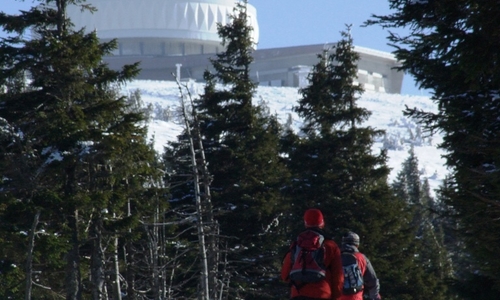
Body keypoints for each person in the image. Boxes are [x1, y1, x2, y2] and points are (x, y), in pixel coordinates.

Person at [281, 208, 344, 300]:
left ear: (305, 223)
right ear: (322, 222)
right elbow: (338, 276)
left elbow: (285, 275)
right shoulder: (330, 245)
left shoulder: (297, 244)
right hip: (322, 293)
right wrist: (337, 297)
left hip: (298, 294)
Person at [340, 232, 381, 300]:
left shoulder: (335, 257)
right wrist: (374, 296)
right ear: (357, 244)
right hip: (356, 296)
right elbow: (372, 280)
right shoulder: (361, 258)